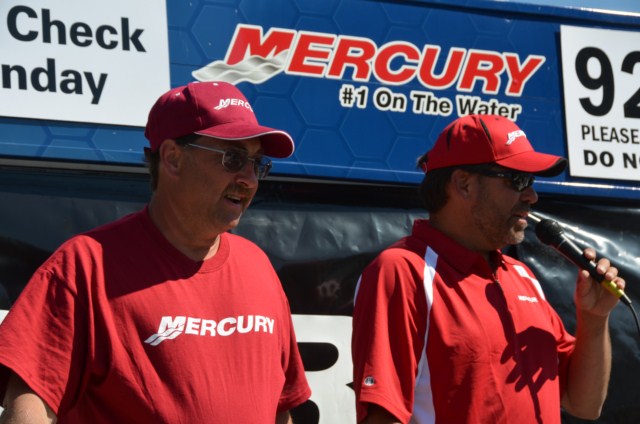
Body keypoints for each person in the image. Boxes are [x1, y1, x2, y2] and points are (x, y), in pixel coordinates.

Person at [0, 81, 311, 423]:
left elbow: (281, 405)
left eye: (256, 163)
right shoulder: (86, 265)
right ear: (173, 159)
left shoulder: (258, 266)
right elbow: (28, 405)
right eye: (233, 158)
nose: (249, 179)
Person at [351, 114, 624, 423]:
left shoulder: (522, 276)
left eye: (531, 182)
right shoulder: (402, 271)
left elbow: (584, 404)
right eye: (518, 180)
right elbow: (381, 416)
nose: (532, 196)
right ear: (464, 184)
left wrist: (595, 318)